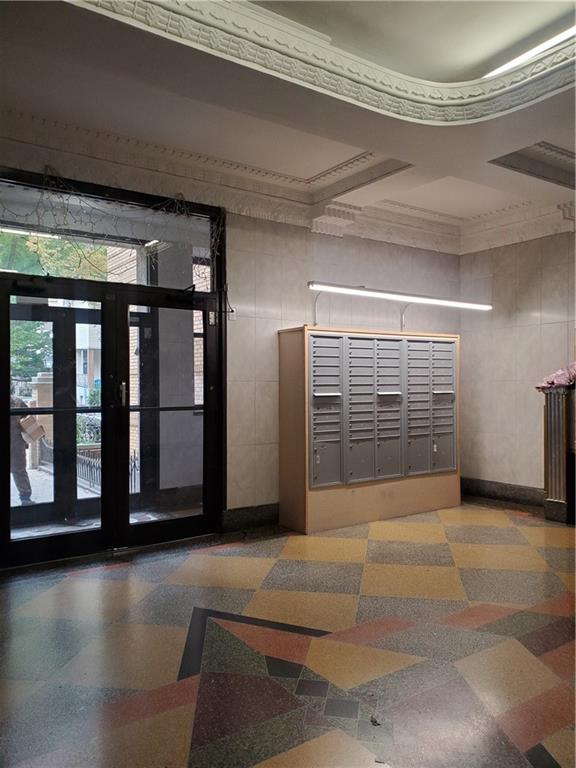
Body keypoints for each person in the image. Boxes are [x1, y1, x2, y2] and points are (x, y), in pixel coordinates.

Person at [10, 386, 33, 504]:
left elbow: (27, 418)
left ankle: (25, 497)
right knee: (19, 470)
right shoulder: (17, 402)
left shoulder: (17, 402)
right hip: (16, 442)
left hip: (15, 442)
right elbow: (28, 417)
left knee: (19, 469)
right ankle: (25, 497)